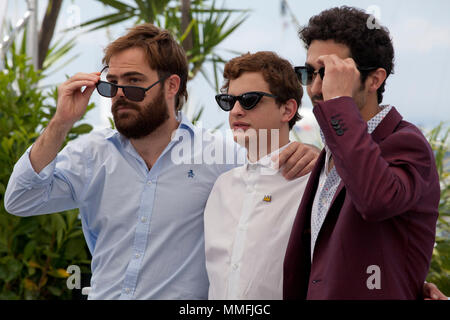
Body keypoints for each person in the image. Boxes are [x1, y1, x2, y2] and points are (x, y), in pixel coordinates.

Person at [4, 23, 318, 300]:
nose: (120, 94)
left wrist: (315, 155)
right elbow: (20, 198)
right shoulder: (91, 154)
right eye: (111, 84)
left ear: (171, 86)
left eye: (133, 82)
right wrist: (61, 122)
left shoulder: (220, 156)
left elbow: (267, 171)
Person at [283, 6, 442, 300]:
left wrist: (339, 104)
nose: (317, 88)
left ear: (374, 79)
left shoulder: (407, 144)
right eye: (308, 73)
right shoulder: (330, 152)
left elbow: (375, 200)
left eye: (330, 73)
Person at [204, 51, 314, 299]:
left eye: (250, 99)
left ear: (287, 109)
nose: (236, 111)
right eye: (228, 101)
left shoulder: (313, 184)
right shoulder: (222, 187)